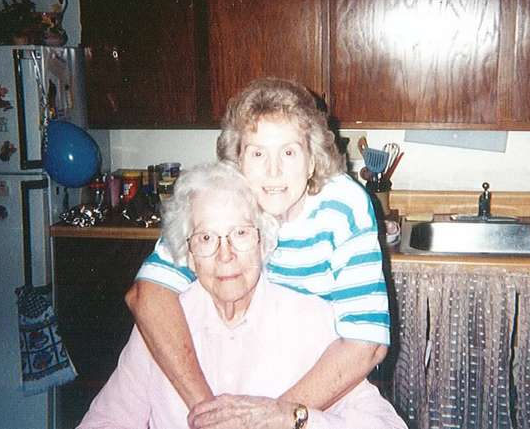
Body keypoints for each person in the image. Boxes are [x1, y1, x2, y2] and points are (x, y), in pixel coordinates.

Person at [126, 78, 390, 428]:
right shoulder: (226, 200)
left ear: (312, 160)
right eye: (258, 153)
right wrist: (212, 414)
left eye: (289, 152)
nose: (273, 171)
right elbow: (147, 293)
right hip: (249, 359)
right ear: (237, 162)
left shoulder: (344, 206)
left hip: (327, 374)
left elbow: (367, 343)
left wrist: (273, 417)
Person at [79, 163, 406, 429]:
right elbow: (106, 421)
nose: (226, 255)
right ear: (188, 254)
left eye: (240, 233)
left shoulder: (310, 322)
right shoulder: (162, 326)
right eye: (206, 238)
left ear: (264, 242)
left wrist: (293, 418)